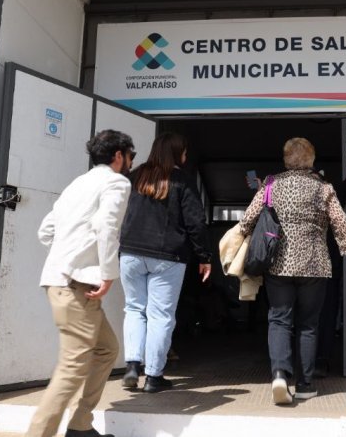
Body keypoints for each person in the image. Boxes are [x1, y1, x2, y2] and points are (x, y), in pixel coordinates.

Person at [27, 130, 136, 437]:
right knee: (71, 370)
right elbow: (107, 226)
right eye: (131, 155)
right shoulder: (117, 182)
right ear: (118, 155)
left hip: (62, 282)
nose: (130, 162)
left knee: (107, 349)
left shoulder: (79, 183)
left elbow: (46, 231)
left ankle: (80, 425)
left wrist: (69, 256)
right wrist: (106, 273)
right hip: (77, 287)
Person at [239, 138, 346, 405]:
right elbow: (342, 227)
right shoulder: (324, 187)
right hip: (315, 265)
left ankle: (280, 375)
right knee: (309, 325)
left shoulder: (271, 184)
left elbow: (248, 219)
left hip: (279, 265)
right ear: (312, 160)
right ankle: (306, 384)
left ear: (286, 160)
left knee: (279, 319)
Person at [119, 132, 212, 393]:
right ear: (178, 153)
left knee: (134, 309)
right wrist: (204, 256)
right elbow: (195, 221)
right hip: (168, 257)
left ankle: (132, 366)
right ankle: (153, 376)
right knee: (160, 315)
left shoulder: (135, 175)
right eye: (184, 152)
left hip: (131, 253)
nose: (186, 157)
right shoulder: (182, 180)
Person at [315, 166, 346, 377]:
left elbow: (340, 193)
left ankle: (321, 361)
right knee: (309, 318)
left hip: (327, 269)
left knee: (325, 316)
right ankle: (306, 362)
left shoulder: (330, 196)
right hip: (307, 270)